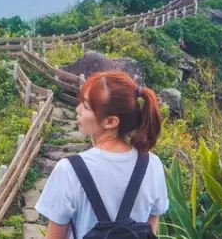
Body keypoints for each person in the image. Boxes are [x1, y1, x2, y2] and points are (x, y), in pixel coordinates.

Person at [35, 71, 168, 239]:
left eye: (86, 106)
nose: (78, 109)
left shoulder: (69, 170)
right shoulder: (152, 165)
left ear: (110, 121)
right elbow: (150, 231)